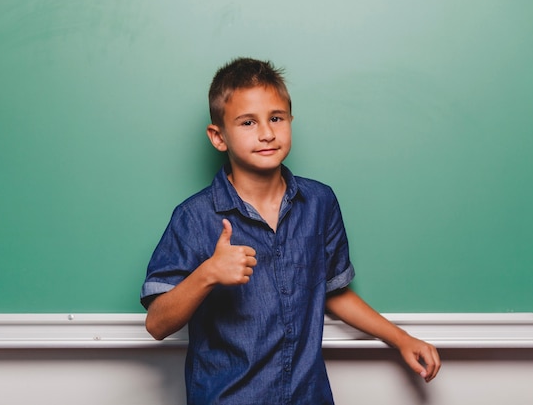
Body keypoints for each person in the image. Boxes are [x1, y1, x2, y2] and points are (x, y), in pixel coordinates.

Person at [141, 57, 441, 404]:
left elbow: (334, 291)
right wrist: (208, 273)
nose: (267, 133)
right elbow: (157, 324)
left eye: (276, 118)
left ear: (290, 121)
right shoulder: (194, 217)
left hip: (307, 395)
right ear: (218, 136)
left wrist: (402, 339)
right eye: (248, 122)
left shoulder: (319, 203)